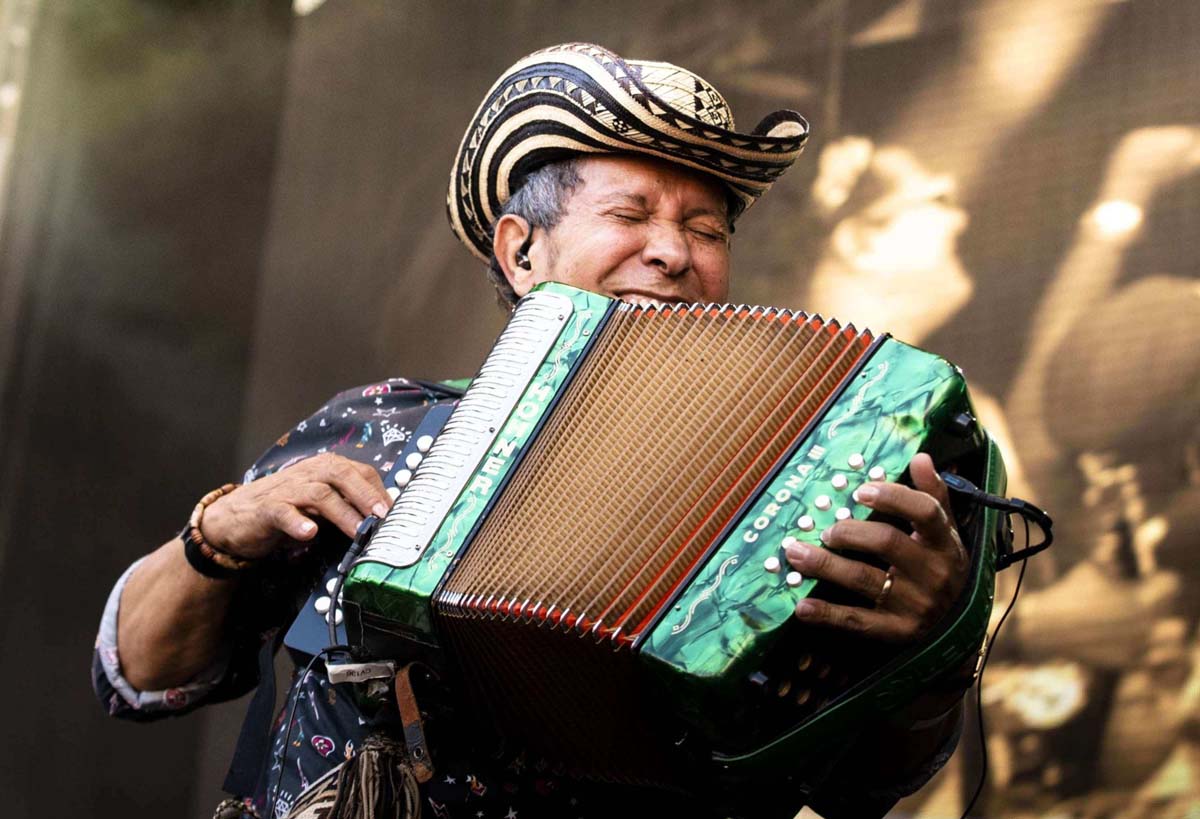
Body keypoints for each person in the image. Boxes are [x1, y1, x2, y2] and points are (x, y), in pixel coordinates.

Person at [94, 43, 978, 819]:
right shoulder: (380, 423)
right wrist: (213, 537)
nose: (674, 252)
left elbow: (863, 786)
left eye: (704, 230)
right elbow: (135, 675)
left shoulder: (795, 482)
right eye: (631, 216)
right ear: (521, 252)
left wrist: (929, 655)